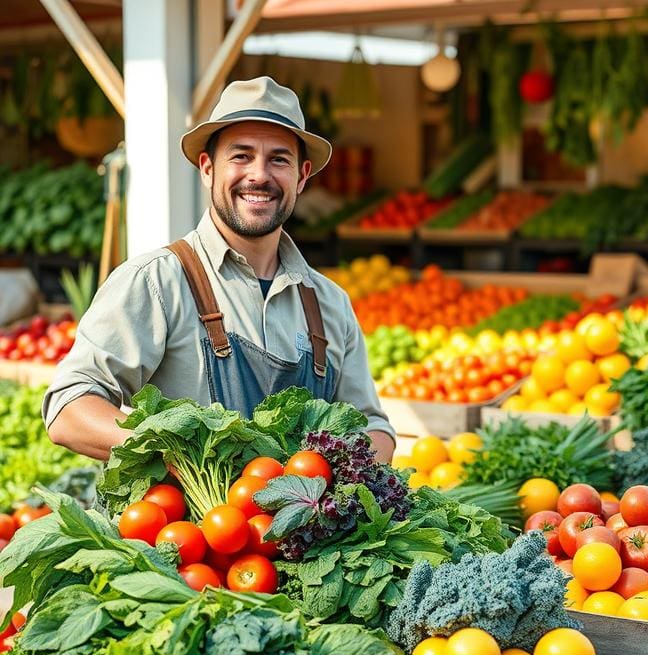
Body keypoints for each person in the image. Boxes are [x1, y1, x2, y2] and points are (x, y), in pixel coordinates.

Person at [43, 77, 395, 463]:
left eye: (279, 159)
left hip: (301, 523)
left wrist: (333, 477)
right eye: (241, 156)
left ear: (302, 175)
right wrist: (179, 459)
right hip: (181, 523)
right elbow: (70, 409)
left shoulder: (329, 303)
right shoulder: (157, 281)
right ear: (208, 168)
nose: (259, 175)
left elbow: (372, 427)